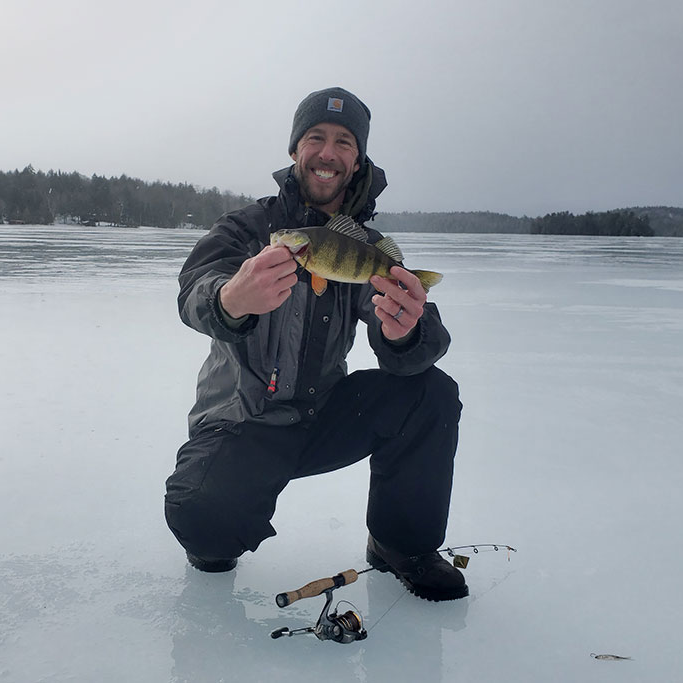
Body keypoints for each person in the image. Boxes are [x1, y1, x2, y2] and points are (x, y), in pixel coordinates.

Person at [164, 87, 467, 601]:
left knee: (429, 393)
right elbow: (194, 291)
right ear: (294, 150)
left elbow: (417, 337)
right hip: (246, 420)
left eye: (344, 141)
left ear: (357, 160)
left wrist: (406, 332)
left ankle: (401, 544)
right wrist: (231, 299)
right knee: (201, 520)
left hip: (324, 415)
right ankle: (221, 518)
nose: (328, 152)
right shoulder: (247, 229)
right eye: (315, 138)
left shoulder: (365, 247)